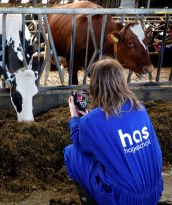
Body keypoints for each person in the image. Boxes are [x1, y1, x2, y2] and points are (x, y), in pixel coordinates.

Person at [64, 58, 163, 205]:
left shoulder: (91, 121)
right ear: (121, 81)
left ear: (94, 85)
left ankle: (90, 199)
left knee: (71, 152)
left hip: (123, 199)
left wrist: (74, 117)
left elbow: (79, 142)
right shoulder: (140, 108)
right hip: (155, 192)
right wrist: (89, 118)